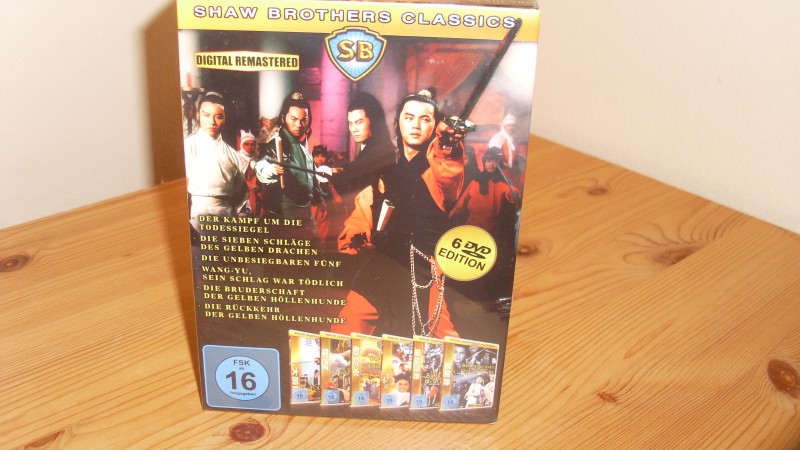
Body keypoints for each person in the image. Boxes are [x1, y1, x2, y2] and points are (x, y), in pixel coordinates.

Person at [334, 89, 465, 338]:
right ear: (398, 123)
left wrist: (448, 144)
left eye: (425, 119)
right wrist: (356, 233)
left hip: (421, 269)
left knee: (440, 340)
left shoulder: (437, 170)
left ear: (435, 126)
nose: (415, 125)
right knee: (347, 327)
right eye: (409, 117)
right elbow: (367, 205)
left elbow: (448, 173)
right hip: (382, 264)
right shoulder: (388, 170)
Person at [255, 91, 322, 237]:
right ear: (283, 118)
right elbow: (260, 168)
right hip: (285, 214)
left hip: (307, 215)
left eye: (304, 120)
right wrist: (273, 169)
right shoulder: (274, 145)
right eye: (294, 119)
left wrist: (319, 195)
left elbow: (310, 180)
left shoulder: (304, 147)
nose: (299, 124)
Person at [183, 92, 247, 232]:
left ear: (225, 118)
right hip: (198, 214)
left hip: (228, 215)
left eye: (218, 116)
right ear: (198, 116)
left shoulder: (232, 153)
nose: (212, 122)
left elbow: (241, 193)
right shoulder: (187, 146)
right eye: (206, 115)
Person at [331, 92, 396, 200]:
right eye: (350, 123)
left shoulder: (380, 151)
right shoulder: (370, 148)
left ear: (373, 121)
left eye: (359, 122)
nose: (354, 129)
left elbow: (356, 174)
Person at [236, 130, 267, 218]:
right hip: (241, 198)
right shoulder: (236, 158)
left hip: (256, 197)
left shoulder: (256, 159)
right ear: (241, 145)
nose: (250, 147)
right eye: (246, 144)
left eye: (252, 144)